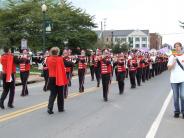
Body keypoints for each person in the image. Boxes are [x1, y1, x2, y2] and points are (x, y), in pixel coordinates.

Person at [46, 47, 67, 114]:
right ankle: (60, 108)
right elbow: (64, 65)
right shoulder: (60, 59)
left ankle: (50, 108)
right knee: (60, 94)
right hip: (59, 77)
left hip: (51, 77)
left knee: (52, 94)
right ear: (57, 52)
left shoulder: (48, 59)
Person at [167, 42, 184, 118]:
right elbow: (169, 69)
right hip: (174, 80)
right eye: (175, 47)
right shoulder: (172, 57)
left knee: (183, 96)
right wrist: (174, 61)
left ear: (181, 47)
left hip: (182, 79)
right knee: (175, 97)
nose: (177, 48)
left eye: (178, 46)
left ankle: (183, 111)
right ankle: (177, 111)